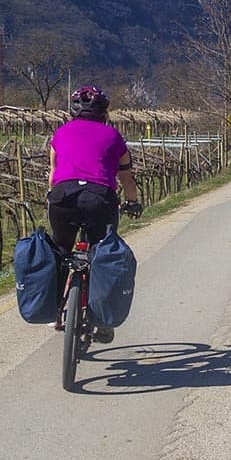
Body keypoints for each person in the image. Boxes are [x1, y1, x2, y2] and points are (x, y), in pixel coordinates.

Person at [47, 85, 141, 340]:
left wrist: (51, 196)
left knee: (61, 250)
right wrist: (133, 202)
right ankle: (102, 319)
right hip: (100, 199)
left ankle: (54, 309)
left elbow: (54, 172)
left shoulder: (60, 133)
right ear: (103, 112)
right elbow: (127, 178)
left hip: (63, 197)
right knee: (101, 253)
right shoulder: (113, 137)